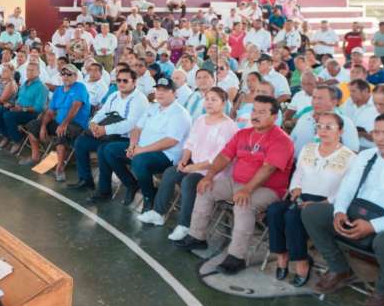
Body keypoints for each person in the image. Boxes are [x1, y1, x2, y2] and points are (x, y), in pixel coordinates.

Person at [176, 96, 294, 275]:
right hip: (236, 182)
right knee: (205, 188)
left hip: (267, 189)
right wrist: (209, 176)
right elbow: (224, 156)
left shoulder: (282, 140)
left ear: (274, 116)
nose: (255, 115)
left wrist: (247, 190)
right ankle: (196, 236)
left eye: (262, 112)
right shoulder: (243, 134)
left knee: (243, 204)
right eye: (254, 110)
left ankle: (236, 257)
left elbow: (268, 169)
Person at [302, 113, 384, 306]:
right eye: (377, 132)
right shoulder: (366, 156)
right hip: (356, 212)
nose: (380, 138)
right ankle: (338, 268)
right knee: (313, 213)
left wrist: (372, 226)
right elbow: (347, 188)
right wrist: (340, 211)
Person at [266, 112, 356, 287]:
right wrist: (295, 188)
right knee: (274, 210)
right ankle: (282, 256)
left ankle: (301, 262)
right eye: (319, 126)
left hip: (325, 203)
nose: (322, 130)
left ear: (341, 131)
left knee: (292, 217)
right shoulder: (309, 148)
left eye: (328, 127)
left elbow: (347, 189)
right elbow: (298, 172)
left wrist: (323, 203)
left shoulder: (350, 157)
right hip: (301, 196)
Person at [140, 87, 238, 240]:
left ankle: (185, 225)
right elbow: (190, 143)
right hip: (195, 165)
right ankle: (158, 213)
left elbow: (218, 157)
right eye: (207, 99)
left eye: (214, 100)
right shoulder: (200, 120)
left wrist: (194, 167)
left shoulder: (228, 126)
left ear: (224, 103)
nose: (209, 103)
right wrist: (184, 160)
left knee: (189, 181)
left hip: (214, 172)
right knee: (171, 172)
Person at [89, 78, 191, 210]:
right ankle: (131, 184)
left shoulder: (179, 113)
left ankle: (149, 196)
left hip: (166, 154)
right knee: (109, 150)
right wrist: (132, 145)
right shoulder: (153, 107)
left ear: (175, 93)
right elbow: (137, 128)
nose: (160, 93)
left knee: (139, 161)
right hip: (142, 148)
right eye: (158, 90)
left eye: (165, 90)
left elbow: (171, 141)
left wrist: (141, 150)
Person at [21, 65, 91, 181]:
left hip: (76, 125)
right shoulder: (59, 90)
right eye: (63, 74)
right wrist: (43, 126)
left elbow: (76, 107)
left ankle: (60, 167)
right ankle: (35, 157)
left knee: (61, 132)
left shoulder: (80, 87)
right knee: (33, 125)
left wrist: (64, 124)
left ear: (76, 76)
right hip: (60, 122)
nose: (66, 77)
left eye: (69, 74)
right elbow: (50, 111)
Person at [0, 62, 48, 153]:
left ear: (39, 72)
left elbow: (39, 108)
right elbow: (18, 99)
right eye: (28, 70)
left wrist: (23, 109)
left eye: (32, 70)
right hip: (17, 108)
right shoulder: (24, 84)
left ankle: (17, 140)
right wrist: (11, 104)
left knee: (8, 116)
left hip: (31, 113)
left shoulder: (42, 87)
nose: (29, 72)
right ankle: (7, 135)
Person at [291, 85, 359, 157]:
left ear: (333, 102)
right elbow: (292, 141)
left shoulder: (345, 122)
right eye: (314, 98)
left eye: (320, 99)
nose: (315, 102)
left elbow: (352, 152)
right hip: (298, 165)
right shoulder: (304, 117)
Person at [342, 79, 379, 150]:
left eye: (353, 91)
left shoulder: (378, 105)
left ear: (365, 91)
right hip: (347, 145)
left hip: (369, 148)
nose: (350, 94)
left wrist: (362, 134)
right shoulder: (349, 102)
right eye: (350, 91)